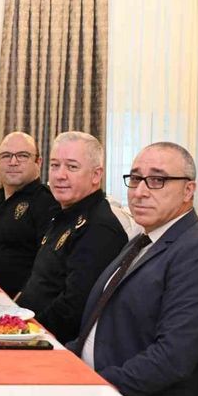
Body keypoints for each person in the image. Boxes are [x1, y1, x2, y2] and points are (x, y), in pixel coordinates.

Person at [67, 142, 198, 396]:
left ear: (188, 190)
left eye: (157, 180)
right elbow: (99, 323)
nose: (140, 192)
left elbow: (172, 358)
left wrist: (94, 386)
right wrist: (60, 363)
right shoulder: (145, 239)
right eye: (135, 178)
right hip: (101, 390)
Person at [16, 131, 127, 343]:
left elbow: (72, 309)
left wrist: (21, 333)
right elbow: (42, 280)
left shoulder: (99, 228)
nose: (60, 175)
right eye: (55, 165)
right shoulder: (63, 214)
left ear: (96, 175)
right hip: (27, 327)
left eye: (72, 167)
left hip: (47, 342)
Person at [0, 132, 57, 295]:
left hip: (19, 304)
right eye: (6, 156)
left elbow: (48, 269)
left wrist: (20, 301)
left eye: (22, 156)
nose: (13, 162)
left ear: (38, 162)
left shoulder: (47, 203)